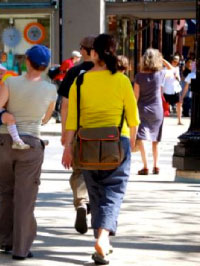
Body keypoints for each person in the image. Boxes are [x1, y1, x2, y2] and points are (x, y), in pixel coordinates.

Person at [61, 34, 139, 265]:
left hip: (86, 144)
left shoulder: (81, 81)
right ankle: (103, 240)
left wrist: (68, 148)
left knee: (95, 195)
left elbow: (72, 120)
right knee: (112, 194)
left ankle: (101, 247)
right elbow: (134, 119)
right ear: (113, 52)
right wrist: (131, 145)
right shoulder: (122, 81)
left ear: (93, 53)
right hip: (117, 142)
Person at [0, 45, 57, 260]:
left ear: (27, 61)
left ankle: (5, 241)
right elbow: (45, 118)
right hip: (31, 144)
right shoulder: (50, 90)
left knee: (6, 192)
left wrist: (3, 114)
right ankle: (21, 248)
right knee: (25, 197)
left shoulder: (10, 83)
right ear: (45, 66)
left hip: (4, 142)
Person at [58, 35, 96, 234]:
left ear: (84, 50)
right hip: (102, 131)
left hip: (78, 129)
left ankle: (81, 202)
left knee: (79, 171)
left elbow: (65, 104)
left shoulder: (74, 72)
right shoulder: (107, 72)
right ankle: (97, 210)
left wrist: (65, 132)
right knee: (100, 171)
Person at [133, 48, 165, 175]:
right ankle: (156, 166)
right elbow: (172, 70)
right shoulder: (160, 73)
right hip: (157, 109)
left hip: (143, 109)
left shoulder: (139, 76)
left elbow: (135, 96)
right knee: (155, 139)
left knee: (141, 137)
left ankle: (145, 166)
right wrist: (161, 59)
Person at [162, 55, 183, 125]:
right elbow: (163, 80)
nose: (176, 63)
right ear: (171, 61)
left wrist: (177, 77)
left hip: (175, 89)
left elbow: (179, 79)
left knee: (179, 103)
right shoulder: (164, 69)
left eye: (177, 62)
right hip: (167, 90)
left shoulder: (177, 68)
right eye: (174, 61)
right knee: (163, 105)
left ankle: (179, 120)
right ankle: (161, 120)